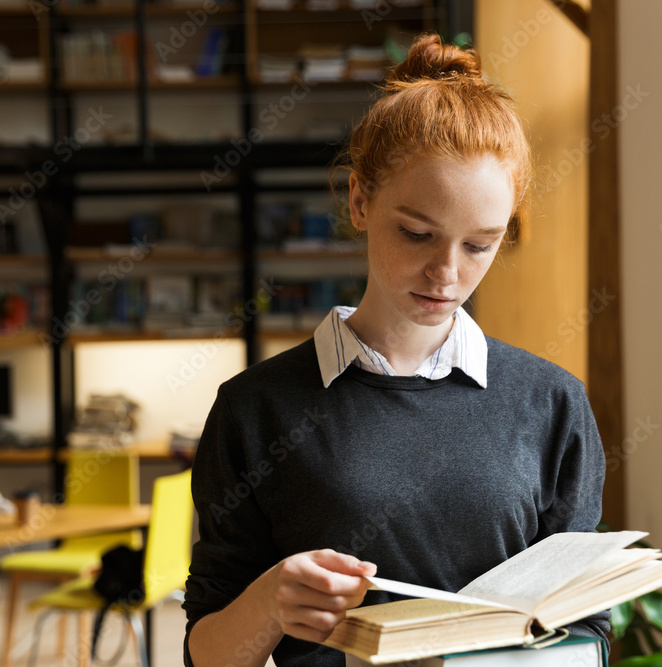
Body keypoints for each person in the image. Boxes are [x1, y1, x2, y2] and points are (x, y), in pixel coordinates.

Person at [183, 31, 609, 667]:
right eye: (417, 234)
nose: (446, 273)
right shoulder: (256, 409)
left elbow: (587, 637)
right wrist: (269, 602)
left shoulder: (551, 404)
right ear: (359, 200)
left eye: (479, 245)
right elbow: (207, 654)